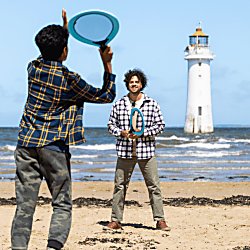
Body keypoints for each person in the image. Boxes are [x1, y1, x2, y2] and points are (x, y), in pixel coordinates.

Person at [11, 9, 116, 250]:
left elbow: (54, 52)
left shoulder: (33, 68)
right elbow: (106, 95)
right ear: (65, 51)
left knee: (25, 205)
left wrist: (64, 30)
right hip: (53, 147)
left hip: (25, 144)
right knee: (61, 202)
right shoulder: (70, 80)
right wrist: (107, 64)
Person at [106, 69, 170, 231]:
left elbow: (160, 125)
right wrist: (121, 132)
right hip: (124, 151)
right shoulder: (119, 104)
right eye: (131, 82)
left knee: (154, 186)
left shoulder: (151, 103)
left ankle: (160, 220)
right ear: (127, 84)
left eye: (137, 82)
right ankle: (115, 220)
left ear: (142, 84)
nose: (134, 84)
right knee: (120, 186)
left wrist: (142, 133)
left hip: (146, 151)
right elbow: (110, 125)